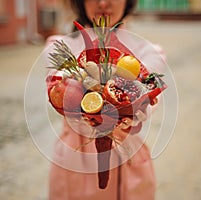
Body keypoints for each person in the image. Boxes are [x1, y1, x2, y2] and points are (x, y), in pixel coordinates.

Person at [46, 0, 164, 199]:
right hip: (76, 159)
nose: (103, 3)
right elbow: (59, 91)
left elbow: (146, 102)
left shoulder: (149, 50)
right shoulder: (59, 46)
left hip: (129, 159)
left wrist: (135, 109)